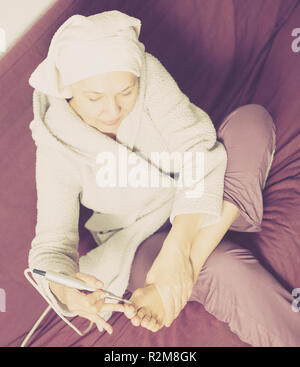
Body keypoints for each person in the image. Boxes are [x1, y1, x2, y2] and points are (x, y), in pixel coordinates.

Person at [27, 10, 300, 346]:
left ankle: (187, 265)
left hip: (198, 193)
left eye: (125, 92)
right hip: (140, 240)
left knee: (251, 122)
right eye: (94, 99)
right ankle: (197, 261)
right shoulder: (56, 144)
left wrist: (179, 253)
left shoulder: (146, 73)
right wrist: (65, 291)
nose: (112, 111)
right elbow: (52, 246)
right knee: (227, 269)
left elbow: (198, 149)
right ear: (67, 90)